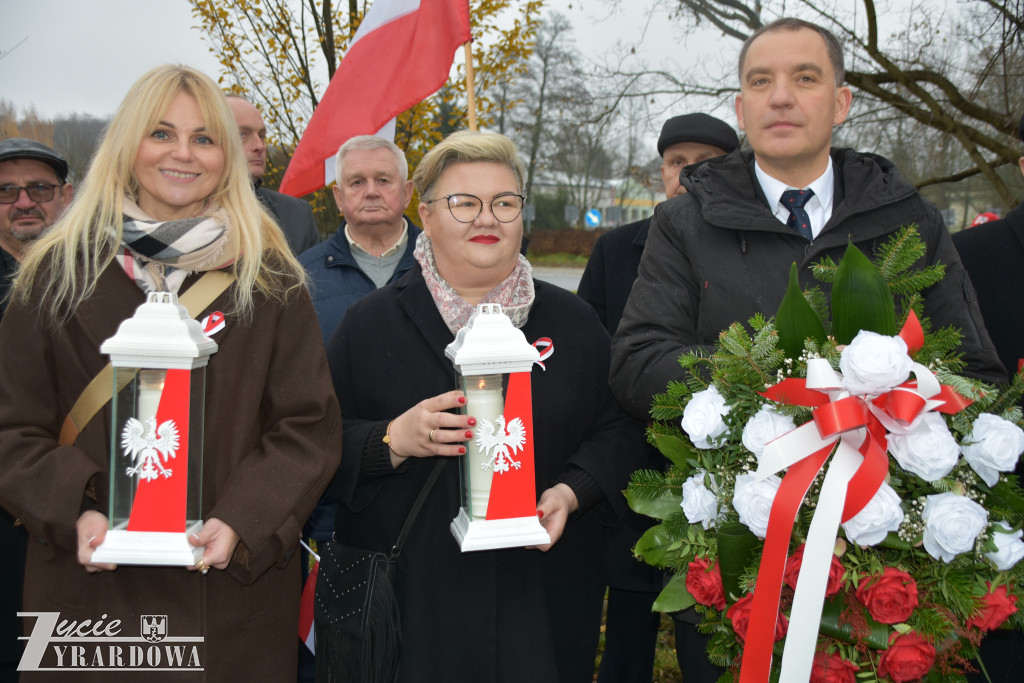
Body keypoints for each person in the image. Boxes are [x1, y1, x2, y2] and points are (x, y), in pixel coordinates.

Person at [0, 65, 341, 681]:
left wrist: (242, 519)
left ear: (226, 156)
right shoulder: (55, 273)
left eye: (205, 138)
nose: (183, 154)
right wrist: (76, 508)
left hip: (230, 600)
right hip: (90, 599)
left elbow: (307, 427)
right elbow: (12, 428)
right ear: (128, 146)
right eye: (162, 134)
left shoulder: (272, 278)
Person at [323, 130, 643, 682]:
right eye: (464, 203)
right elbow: (316, 441)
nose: (486, 219)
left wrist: (572, 492)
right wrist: (392, 441)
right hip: (414, 605)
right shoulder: (368, 325)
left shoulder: (572, 322)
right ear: (425, 213)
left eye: (504, 203)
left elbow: (620, 429)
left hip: (544, 595)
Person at [611, 17, 1004, 425]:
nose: (780, 97)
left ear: (840, 103)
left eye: (805, 78)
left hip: (890, 480)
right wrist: (784, 377)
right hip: (741, 478)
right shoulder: (683, 223)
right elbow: (639, 365)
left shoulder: (910, 218)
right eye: (761, 81)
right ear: (742, 111)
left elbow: (975, 374)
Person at [578, 113, 738, 683]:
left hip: (727, 473)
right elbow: (593, 353)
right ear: (661, 171)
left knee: (719, 622)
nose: (688, 175)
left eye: (706, 164)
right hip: (634, 463)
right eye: (677, 163)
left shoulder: (747, 246)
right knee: (627, 621)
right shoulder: (617, 249)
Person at [0, 138, 73, 683]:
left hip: (78, 517)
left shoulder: (96, 282)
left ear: (66, 197)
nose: (23, 201)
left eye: (39, 189)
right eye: (5, 191)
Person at [299, 135, 418, 345]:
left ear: (407, 193)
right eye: (357, 182)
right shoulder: (302, 277)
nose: (371, 192)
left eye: (383, 180)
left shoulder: (444, 263)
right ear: (338, 198)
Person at [226, 95, 321, 254]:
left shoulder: (297, 215)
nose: (259, 146)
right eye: (242, 134)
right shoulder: (183, 211)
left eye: (261, 136)